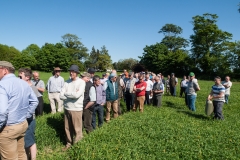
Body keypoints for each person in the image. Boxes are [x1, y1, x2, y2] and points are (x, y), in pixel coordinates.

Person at [0, 61, 38, 160]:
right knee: (21, 154)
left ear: (4, 70)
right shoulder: (24, 83)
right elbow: (34, 101)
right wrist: (26, 116)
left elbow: (2, 111)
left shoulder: (2, 85)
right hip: (22, 124)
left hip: (7, 128)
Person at [60, 65, 86, 151]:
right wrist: (71, 94)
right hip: (67, 108)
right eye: (70, 71)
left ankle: (78, 146)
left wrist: (66, 94)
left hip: (76, 109)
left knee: (77, 128)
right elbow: (60, 95)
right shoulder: (66, 82)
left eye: (73, 72)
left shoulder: (81, 82)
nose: (71, 73)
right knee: (67, 128)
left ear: (77, 73)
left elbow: (77, 95)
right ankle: (68, 144)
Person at [19, 68, 39, 160]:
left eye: (20, 76)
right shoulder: (22, 86)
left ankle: (33, 158)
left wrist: (27, 115)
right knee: (24, 140)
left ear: (27, 77)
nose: (18, 78)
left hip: (29, 118)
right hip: (22, 118)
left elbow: (34, 103)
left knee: (30, 139)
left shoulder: (32, 88)